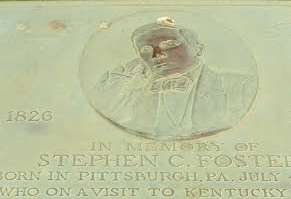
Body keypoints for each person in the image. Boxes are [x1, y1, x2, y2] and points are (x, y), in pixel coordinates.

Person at [88, 18, 257, 140]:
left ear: (197, 49)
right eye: (145, 50)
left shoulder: (241, 88)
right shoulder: (131, 95)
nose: (157, 55)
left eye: (169, 44)